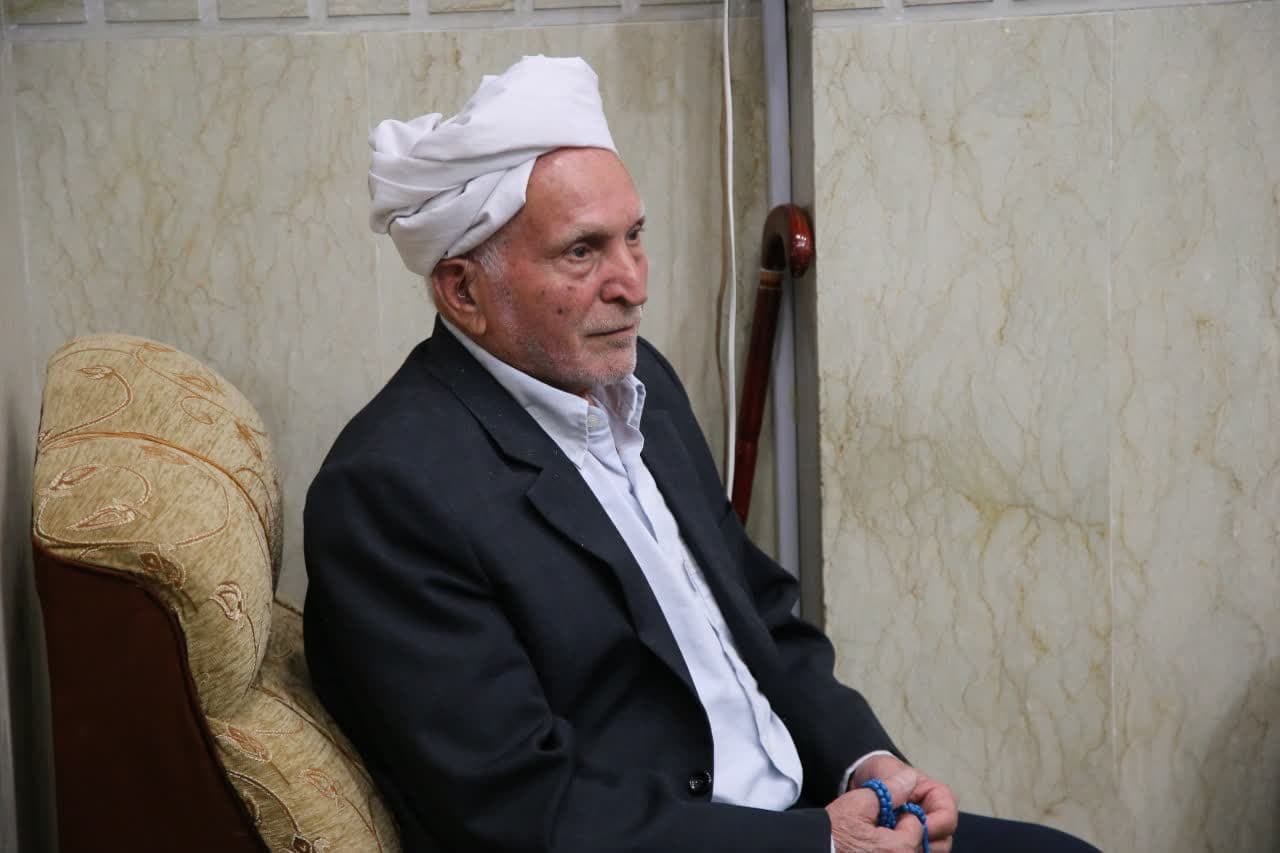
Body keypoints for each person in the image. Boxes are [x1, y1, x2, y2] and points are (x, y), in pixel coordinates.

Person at [303, 55, 1101, 853]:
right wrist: (821, 845)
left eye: (634, 236)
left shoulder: (639, 381)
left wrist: (869, 763)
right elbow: (524, 810)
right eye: (582, 252)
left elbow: (764, 618)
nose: (632, 283)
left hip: (806, 812)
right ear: (463, 290)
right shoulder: (389, 492)